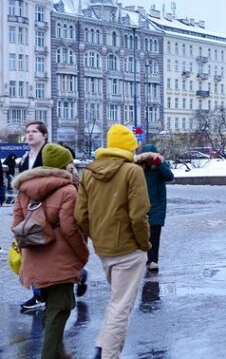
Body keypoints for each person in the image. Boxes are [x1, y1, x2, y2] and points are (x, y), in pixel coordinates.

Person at [75, 124, 151, 359]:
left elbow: (80, 215)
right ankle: (108, 354)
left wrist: (97, 235)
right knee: (121, 306)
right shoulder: (132, 171)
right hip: (129, 248)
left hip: (104, 248)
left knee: (116, 300)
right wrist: (144, 244)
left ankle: (101, 346)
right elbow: (139, 214)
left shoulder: (88, 172)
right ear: (129, 147)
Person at [12, 143, 89, 359]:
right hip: (61, 259)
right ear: (64, 164)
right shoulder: (68, 190)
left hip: (33, 258)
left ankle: (59, 353)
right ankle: (51, 354)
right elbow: (70, 228)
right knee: (60, 310)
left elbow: (16, 224)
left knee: (53, 309)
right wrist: (82, 254)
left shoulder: (25, 188)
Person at [136, 144, 175, 272]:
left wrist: (159, 164)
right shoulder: (138, 169)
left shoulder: (160, 166)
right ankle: (144, 259)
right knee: (142, 234)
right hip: (141, 206)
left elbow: (169, 176)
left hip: (157, 206)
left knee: (154, 235)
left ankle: (153, 260)